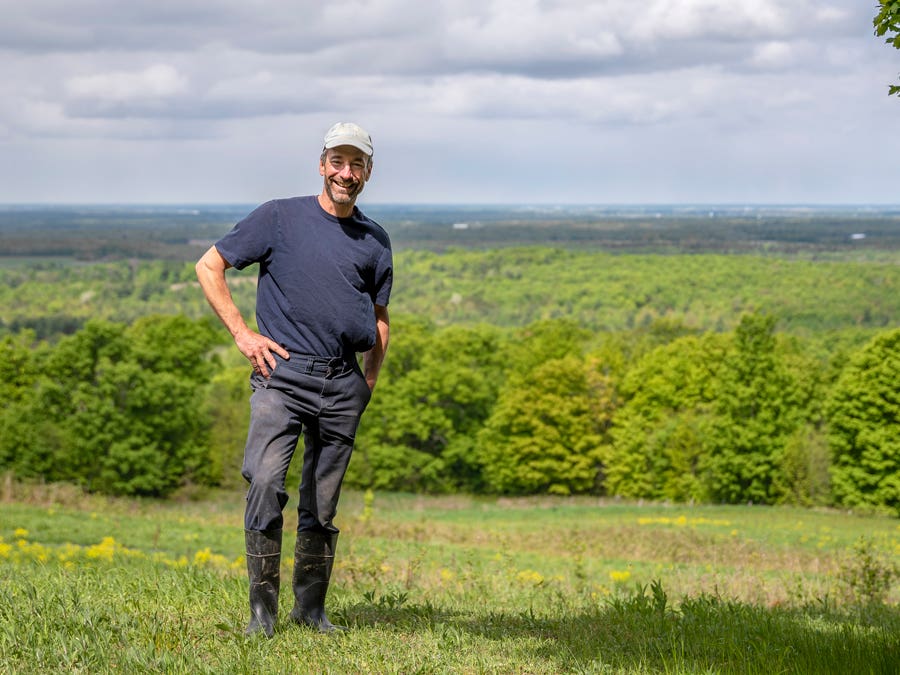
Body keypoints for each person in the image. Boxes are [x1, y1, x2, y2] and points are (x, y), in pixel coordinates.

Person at [195, 122, 392, 638]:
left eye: (357, 164)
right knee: (263, 483)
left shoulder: (375, 239)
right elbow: (209, 266)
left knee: (322, 505)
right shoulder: (279, 216)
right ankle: (262, 617)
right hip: (281, 377)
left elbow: (380, 317)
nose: (345, 173)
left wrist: (367, 383)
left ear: (368, 172)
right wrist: (243, 335)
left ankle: (310, 612)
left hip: (342, 382)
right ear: (322, 163)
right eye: (338, 162)